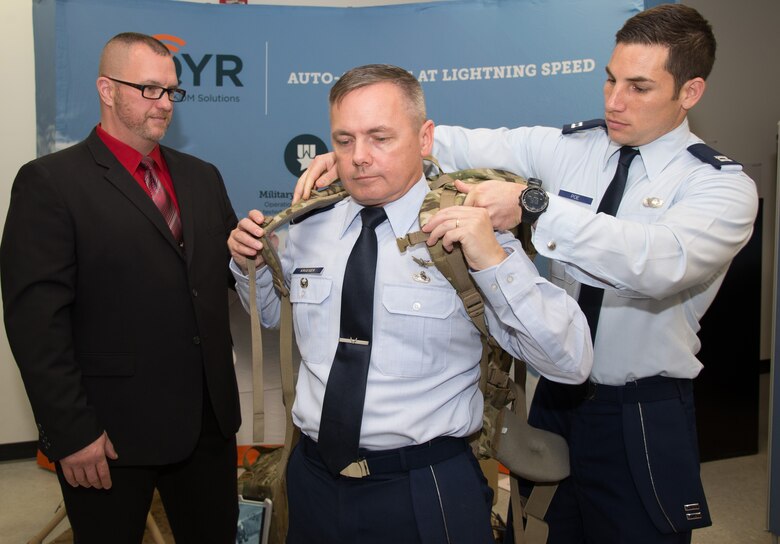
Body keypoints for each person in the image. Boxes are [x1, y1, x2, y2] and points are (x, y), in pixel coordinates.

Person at [294, 5, 759, 544]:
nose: (614, 101)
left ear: (690, 92)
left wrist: (535, 206)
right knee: (543, 529)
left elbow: (658, 263)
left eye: (639, 87)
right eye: (610, 79)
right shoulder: (570, 148)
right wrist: (359, 152)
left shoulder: (720, 187)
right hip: (554, 394)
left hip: (639, 407)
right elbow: (444, 141)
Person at [228, 63, 593, 544]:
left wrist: (493, 261)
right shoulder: (310, 223)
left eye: (380, 137)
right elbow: (274, 317)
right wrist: (251, 267)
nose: (359, 157)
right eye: (344, 140)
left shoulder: (467, 229)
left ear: (424, 138)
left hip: (425, 485)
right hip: (313, 479)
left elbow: (570, 362)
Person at [1, 33, 241, 543]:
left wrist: (259, 252)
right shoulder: (50, 183)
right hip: (108, 436)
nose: (165, 103)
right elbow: (36, 326)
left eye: (172, 91)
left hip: (207, 425)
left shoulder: (202, 177)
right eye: (149, 89)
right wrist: (72, 433)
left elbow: (225, 275)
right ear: (106, 90)